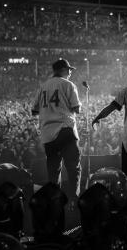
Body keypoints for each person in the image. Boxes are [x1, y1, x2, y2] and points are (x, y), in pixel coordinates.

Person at [31, 59, 82, 205]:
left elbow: (34, 110)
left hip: (48, 134)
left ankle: (55, 201)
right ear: (62, 69)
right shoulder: (68, 84)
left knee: (53, 170)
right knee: (73, 166)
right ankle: (74, 199)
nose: (71, 72)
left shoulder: (43, 87)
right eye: (69, 69)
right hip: (64, 130)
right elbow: (76, 108)